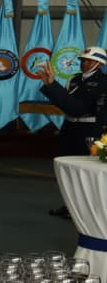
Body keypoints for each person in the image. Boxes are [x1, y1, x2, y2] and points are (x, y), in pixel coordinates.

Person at [39, 46, 107, 217]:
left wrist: (52, 85)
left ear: (99, 64)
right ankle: (70, 206)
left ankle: (87, 210)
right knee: (68, 170)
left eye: (89, 60)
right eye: (83, 60)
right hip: (70, 128)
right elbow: (68, 106)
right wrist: (52, 86)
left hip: (90, 130)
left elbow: (78, 108)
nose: (84, 63)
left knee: (86, 172)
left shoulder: (104, 83)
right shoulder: (74, 80)